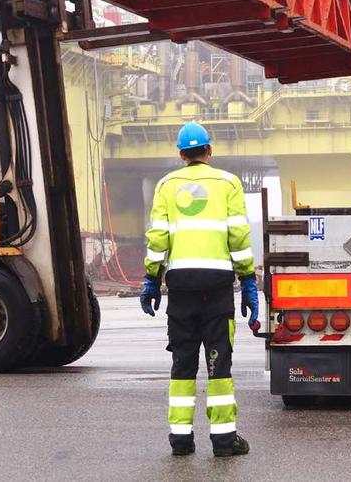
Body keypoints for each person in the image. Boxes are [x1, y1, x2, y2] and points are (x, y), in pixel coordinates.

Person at [140, 121, 259, 458]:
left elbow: (158, 237)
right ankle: (224, 440)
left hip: (180, 287)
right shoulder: (228, 183)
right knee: (218, 363)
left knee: (182, 363)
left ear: (181, 154)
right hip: (217, 286)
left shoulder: (166, 185)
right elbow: (238, 236)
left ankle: (180, 438)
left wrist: (152, 278)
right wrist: (248, 279)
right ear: (210, 150)